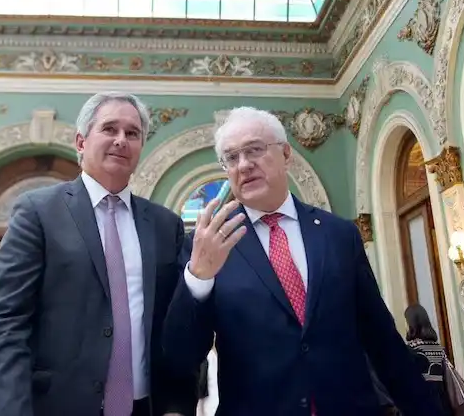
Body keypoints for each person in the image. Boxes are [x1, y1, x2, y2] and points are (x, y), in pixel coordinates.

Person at [163, 106, 440, 415]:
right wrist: (199, 277)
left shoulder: (338, 235)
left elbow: (382, 341)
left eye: (254, 149)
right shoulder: (208, 246)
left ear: (285, 154)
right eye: (231, 157)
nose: (243, 165)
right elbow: (180, 356)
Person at [0, 92, 196, 416]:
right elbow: (4, 322)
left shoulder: (165, 226)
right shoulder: (38, 212)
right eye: (110, 129)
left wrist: (177, 405)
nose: (121, 140)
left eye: (132, 133)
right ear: (81, 142)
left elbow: (175, 327)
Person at [403, 304, 464, 416]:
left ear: (410, 324)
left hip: (422, 406)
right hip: (444, 405)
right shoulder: (439, 349)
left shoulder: (410, 350)